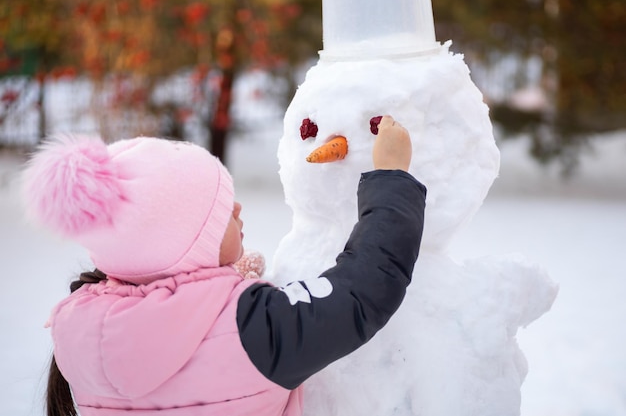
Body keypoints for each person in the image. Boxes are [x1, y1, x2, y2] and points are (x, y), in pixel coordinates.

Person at [22, 115, 426, 416]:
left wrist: (221, 288)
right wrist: (391, 177)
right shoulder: (257, 329)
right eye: (219, 213)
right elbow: (363, 290)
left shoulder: (77, 329)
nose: (237, 207)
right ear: (187, 247)